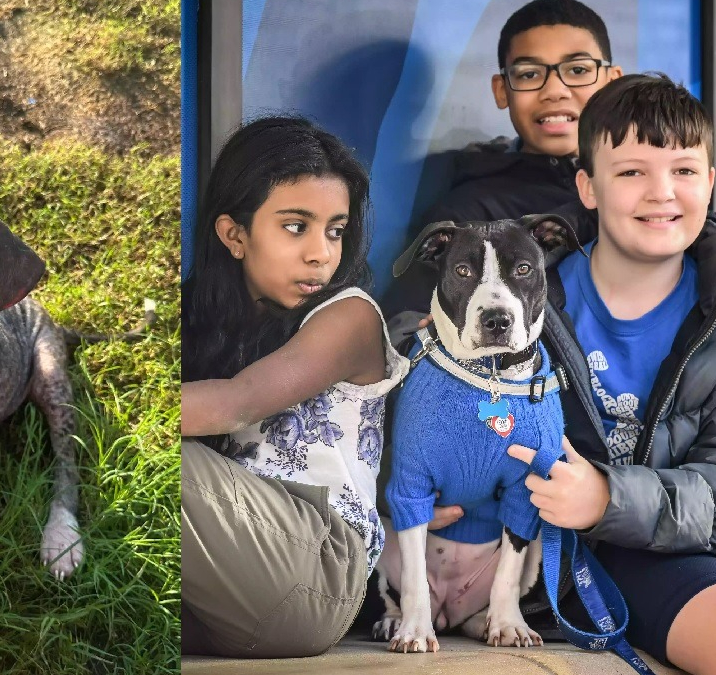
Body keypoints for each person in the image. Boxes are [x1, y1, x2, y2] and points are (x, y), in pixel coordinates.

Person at [500, 73, 716, 675]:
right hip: (610, 546)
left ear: (709, 182)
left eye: (682, 170)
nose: (661, 193)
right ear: (588, 187)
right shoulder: (521, 296)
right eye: (631, 172)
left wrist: (607, 495)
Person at [179, 117, 410, 658]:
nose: (321, 253)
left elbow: (236, 404)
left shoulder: (348, 317)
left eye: (335, 229)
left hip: (317, 568)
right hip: (229, 586)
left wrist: (110, 403)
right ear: (234, 234)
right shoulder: (198, 315)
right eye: (295, 226)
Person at [382, 0, 621, 317]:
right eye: (529, 74)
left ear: (613, 81)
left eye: (577, 70)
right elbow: (409, 328)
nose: (554, 90)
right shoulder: (469, 215)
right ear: (501, 90)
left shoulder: (648, 185)